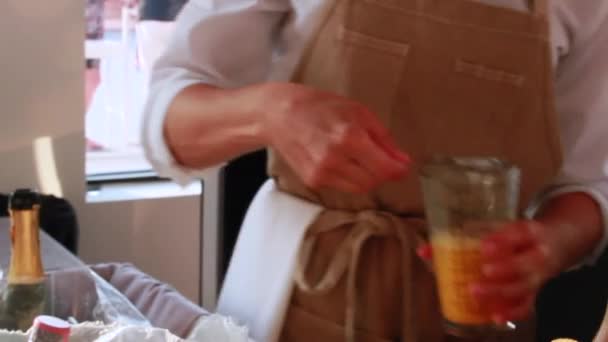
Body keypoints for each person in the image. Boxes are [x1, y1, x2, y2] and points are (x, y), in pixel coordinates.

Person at [142, 0, 608, 341]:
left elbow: (588, 184)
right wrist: (271, 112)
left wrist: (550, 244)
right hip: (291, 294)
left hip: (477, 309)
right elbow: (169, 123)